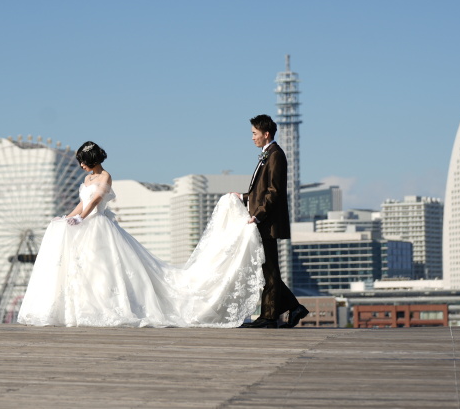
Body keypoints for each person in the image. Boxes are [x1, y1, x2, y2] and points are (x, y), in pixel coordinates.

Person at [17, 141, 265, 328]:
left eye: (83, 160)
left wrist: (81, 217)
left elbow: (95, 200)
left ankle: (107, 308)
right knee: (86, 270)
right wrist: (69, 216)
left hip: (99, 227)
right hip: (85, 226)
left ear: (92, 158)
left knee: (105, 270)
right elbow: (82, 204)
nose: (81, 165)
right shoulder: (87, 176)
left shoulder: (105, 177)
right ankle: (82, 310)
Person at [237, 114, 308, 329]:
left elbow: (273, 192)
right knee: (266, 268)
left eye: (254, 133)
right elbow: (260, 192)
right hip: (263, 221)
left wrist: (258, 215)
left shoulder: (276, 155)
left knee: (268, 269)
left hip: (267, 223)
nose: (252, 138)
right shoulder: (267, 155)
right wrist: (243, 198)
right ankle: (289, 309)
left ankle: (270, 316)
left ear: (266, 134)